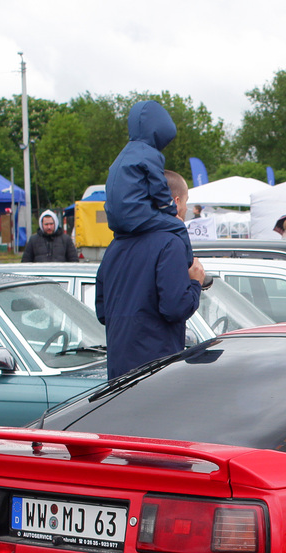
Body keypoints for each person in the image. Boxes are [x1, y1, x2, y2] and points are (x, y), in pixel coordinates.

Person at [97, 170, 204, 380]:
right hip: (156, 369)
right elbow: (175, 307)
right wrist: (195, 283)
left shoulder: (116, 244)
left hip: (118, 369)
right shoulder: (170, 242)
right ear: (175, 201)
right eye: (186, 202)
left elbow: (103, 311)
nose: (186, 209)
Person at [104, 100, 182, 236]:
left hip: (115, 221)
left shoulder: (123, 155)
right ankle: (189, 258)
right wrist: (171, 211)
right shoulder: (150, 154)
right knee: (178, 227)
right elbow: (159, 187)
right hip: (137, 216)